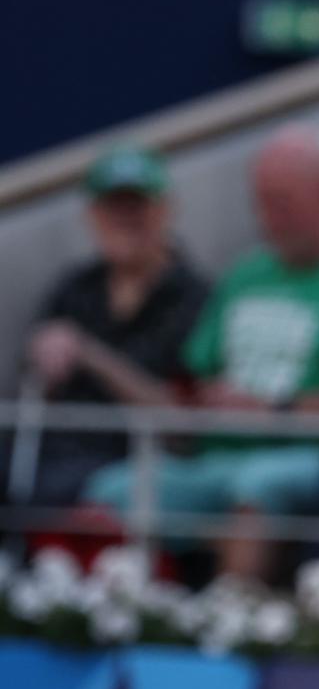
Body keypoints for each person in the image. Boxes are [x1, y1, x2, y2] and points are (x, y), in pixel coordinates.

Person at [84, 127, 319, 581]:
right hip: (215, 451)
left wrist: (274, 410)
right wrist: (206, 398)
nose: (268, 218)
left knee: (258, 485)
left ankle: (231, 624)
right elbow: (193, 374)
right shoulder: (244, 274)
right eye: (262, 203)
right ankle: (113, 620)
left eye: (282, 203)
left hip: (309, 452)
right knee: (111, 489)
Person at [22, 148, 208, 506]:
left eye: (136, 207)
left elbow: (181, 420)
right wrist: (40, 352)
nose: (124, 220)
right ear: (92, 216)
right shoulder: (75, 286)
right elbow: (33, 385)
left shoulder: (194, 298)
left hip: (134, 462)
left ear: (165, 210)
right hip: (54, 454)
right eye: (113, 208)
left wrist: (89, 355)